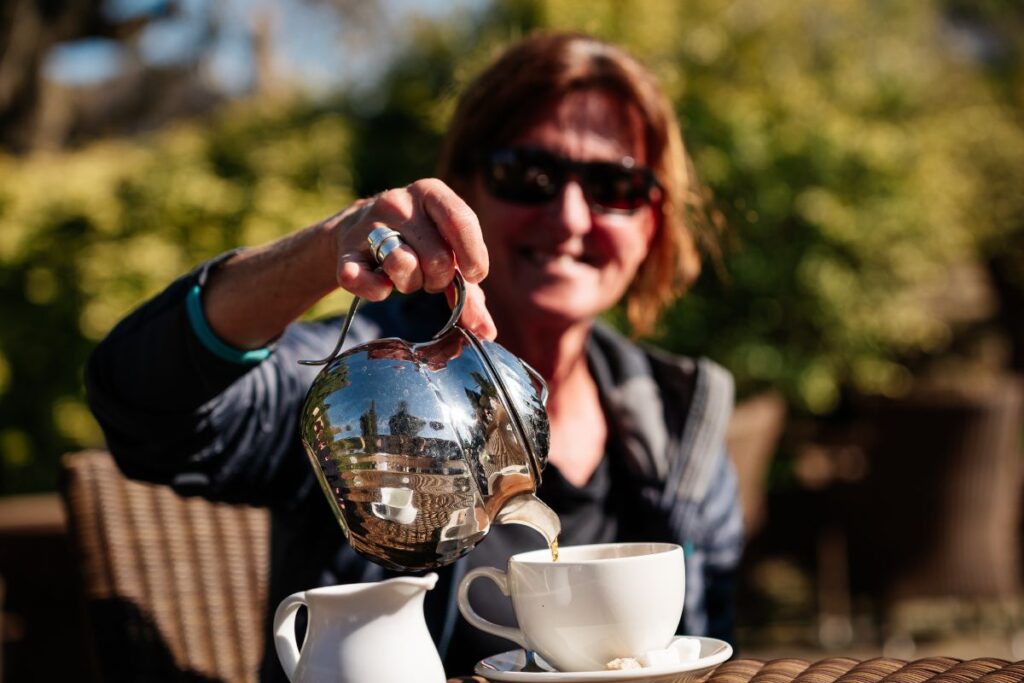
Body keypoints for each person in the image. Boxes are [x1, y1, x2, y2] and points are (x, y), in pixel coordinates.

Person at [86, 31, 743, 679]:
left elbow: (707, 643)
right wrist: (327, 249)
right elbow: (146, 407)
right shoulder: (372, 386)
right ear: (465, 193)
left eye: (615, 184)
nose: (571, 217)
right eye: (528, 175)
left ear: (652, 221)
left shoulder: (680, 421)